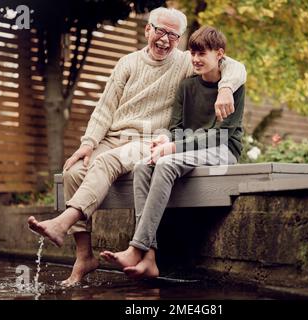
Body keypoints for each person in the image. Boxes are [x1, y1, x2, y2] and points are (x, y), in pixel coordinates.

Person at [27, 7, 246, 286]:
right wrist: (88, 143)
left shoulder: (185, 61)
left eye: (172, 35)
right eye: (160, 31)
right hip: (114, 138)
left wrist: (226, 88)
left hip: (148, 140)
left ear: (178, 39)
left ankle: (62, 222)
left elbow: (232, 65)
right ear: (147, 30)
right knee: (74, 172)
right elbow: (105, 108)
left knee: (106, 163)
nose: (165, 40)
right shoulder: (126, 63)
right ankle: (84, 257)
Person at [100, 26, 245, 279]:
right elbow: (176, 127)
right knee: (144, 165)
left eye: (203, 54)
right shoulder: (186, 86)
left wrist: (175, 147)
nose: (196, 60)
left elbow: (220, 135)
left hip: (223, 149)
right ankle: (150, 258)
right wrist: (165, 139)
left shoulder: (232, 88)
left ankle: (136, 248)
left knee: (166, 164)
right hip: (189, 151)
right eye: (193, 54)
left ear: (219, 54)